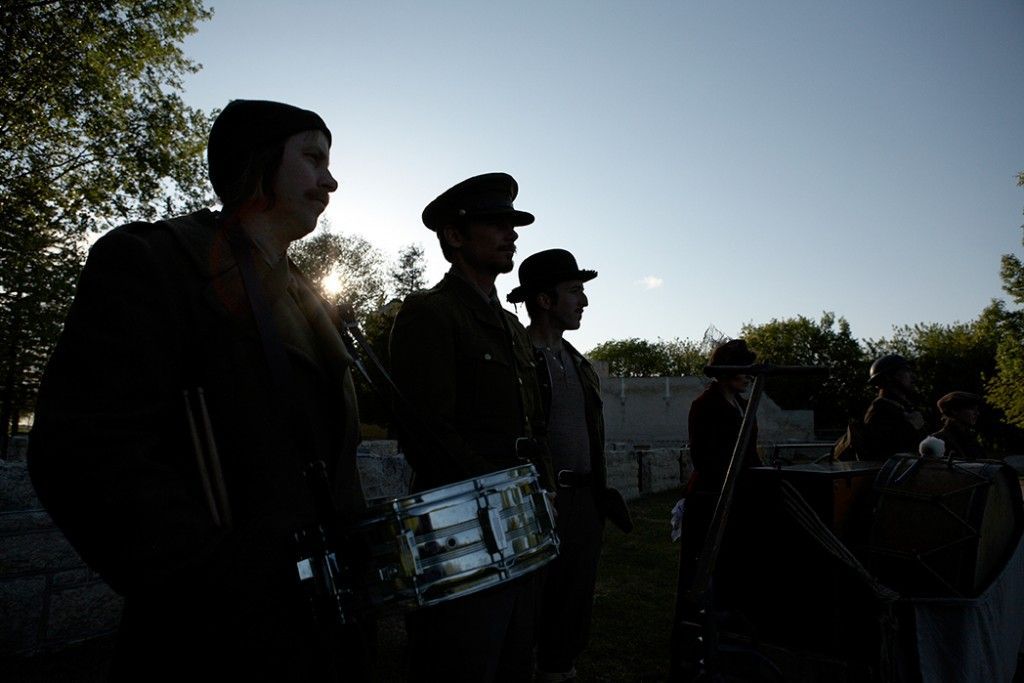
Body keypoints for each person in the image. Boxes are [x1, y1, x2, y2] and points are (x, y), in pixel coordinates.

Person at [28, 100, 370, 681]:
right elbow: (84, 451)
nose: (330, 181)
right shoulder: (152, 260)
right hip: (212, 643)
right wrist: (219, 582)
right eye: (313, 158)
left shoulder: (310, 299)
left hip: (323, 633)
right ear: (259, 162)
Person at [389, 172, 553, 682]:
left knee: (514, 661)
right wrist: (498, 497)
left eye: (512, 224)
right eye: (496, 223)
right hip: (460, 536)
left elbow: (532, 425)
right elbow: (428, 432)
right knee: (461, 662)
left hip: (519, 526)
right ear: (455, 236)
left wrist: (540, 491)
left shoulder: (511, 327)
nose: (512, 233)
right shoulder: (430, 313)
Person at [507, 249, 631, 682]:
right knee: (524, 615)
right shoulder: (515, 361)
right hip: (534, 505)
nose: (585, 301)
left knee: (571, 615)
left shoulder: (580, 364)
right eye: (575, 291)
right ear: (544, 300)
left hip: (583, 504)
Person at [671, 339, 762, 680]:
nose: (748, 376)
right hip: (712, 500)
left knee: (734, 573)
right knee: (703, 577)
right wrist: (730, 484)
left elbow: (749, 452)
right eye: (743, 369)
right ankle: (694, 655)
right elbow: (705, 458)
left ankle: (731, 644)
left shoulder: (741, 403)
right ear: (726, 370)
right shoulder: (705, 405)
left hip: (741, 498)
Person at [862, 354, 929, 459]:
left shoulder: (900, 407)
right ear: (890, 378)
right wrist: (912, 427)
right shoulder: (878, 411)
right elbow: (882, 451)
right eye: (906, 372)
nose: (912, 377)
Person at [931, 391, 986, 461]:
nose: (977, 413)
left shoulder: (972, 439)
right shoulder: (937, 441)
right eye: (972, 409)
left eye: (976, 409)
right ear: (955, 410)